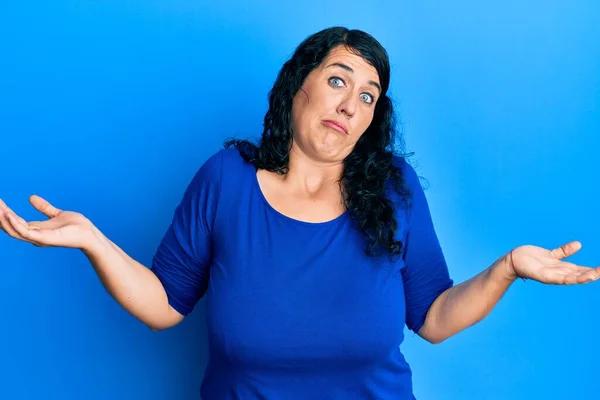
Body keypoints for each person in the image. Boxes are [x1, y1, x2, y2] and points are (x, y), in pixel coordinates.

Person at [0, 26, 597, 400]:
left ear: (371, 120)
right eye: (337, 80)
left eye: (366, 96)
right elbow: (164, 306)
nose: (350, 102)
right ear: (297, 88)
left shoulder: (395, 189)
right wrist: (94, 242)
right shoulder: (225, 180)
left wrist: (507, 269)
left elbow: (434, 319)